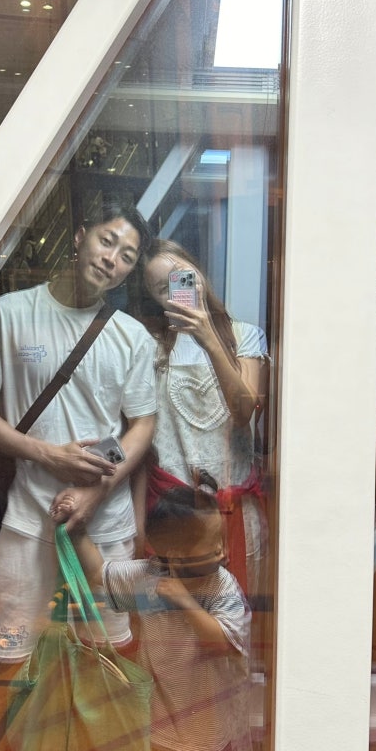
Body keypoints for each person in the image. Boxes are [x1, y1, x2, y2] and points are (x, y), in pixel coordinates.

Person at [0, 200, 157, 665]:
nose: (111, 259)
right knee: (14, 653)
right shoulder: (7, 315)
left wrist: (97, 491)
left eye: (126, 256)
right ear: (80, 236)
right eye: (106, 241)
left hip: (106, 522)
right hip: (28, 517)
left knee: (105, 658)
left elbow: (142, 423)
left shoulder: (132, 336)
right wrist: (48, 455)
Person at [64, 484, 254, 751]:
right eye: (214, 544)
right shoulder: (149, 578)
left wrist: (183, 601)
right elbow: (100, 573)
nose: (225, 552)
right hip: (162, 728)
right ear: (174, 556)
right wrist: (77, 530)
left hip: (211, 734)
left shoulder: (222, 586)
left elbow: (221, 641)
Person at [134, 239, 268, 600]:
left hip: (235, 509)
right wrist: (139, 524)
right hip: (174, 515)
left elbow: (244, 412)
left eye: (181, 275)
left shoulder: (244, 336)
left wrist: (208, 336)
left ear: (197, 270)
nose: (176, 289)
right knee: (178, 620)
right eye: (163, 288)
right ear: (155, 299)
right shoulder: (149, 345)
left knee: (236, 614)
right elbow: (140, 438)